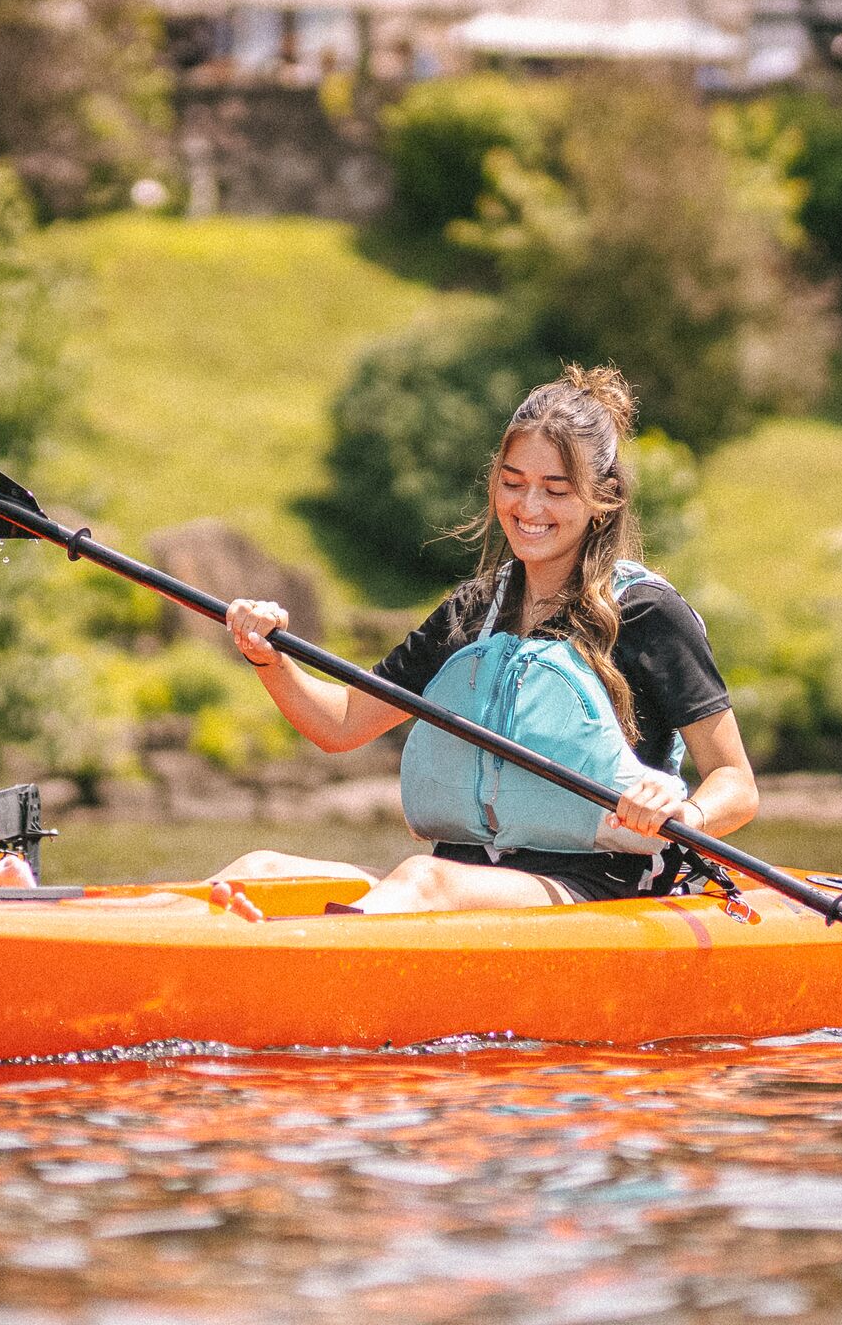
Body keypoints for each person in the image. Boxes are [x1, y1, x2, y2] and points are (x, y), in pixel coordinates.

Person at [218, 366, 757, 914]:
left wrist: (686, 814)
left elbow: (735, 782)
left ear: (604, 497)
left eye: (555, 490)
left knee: (423, 882)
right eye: (513, 481)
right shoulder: (473, 612)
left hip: (598, 888)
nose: (527, 508)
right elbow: (341, 724)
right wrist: (270, 658)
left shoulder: (646, 613)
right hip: (468, 875)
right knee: (257, 870)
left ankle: (304, 977)